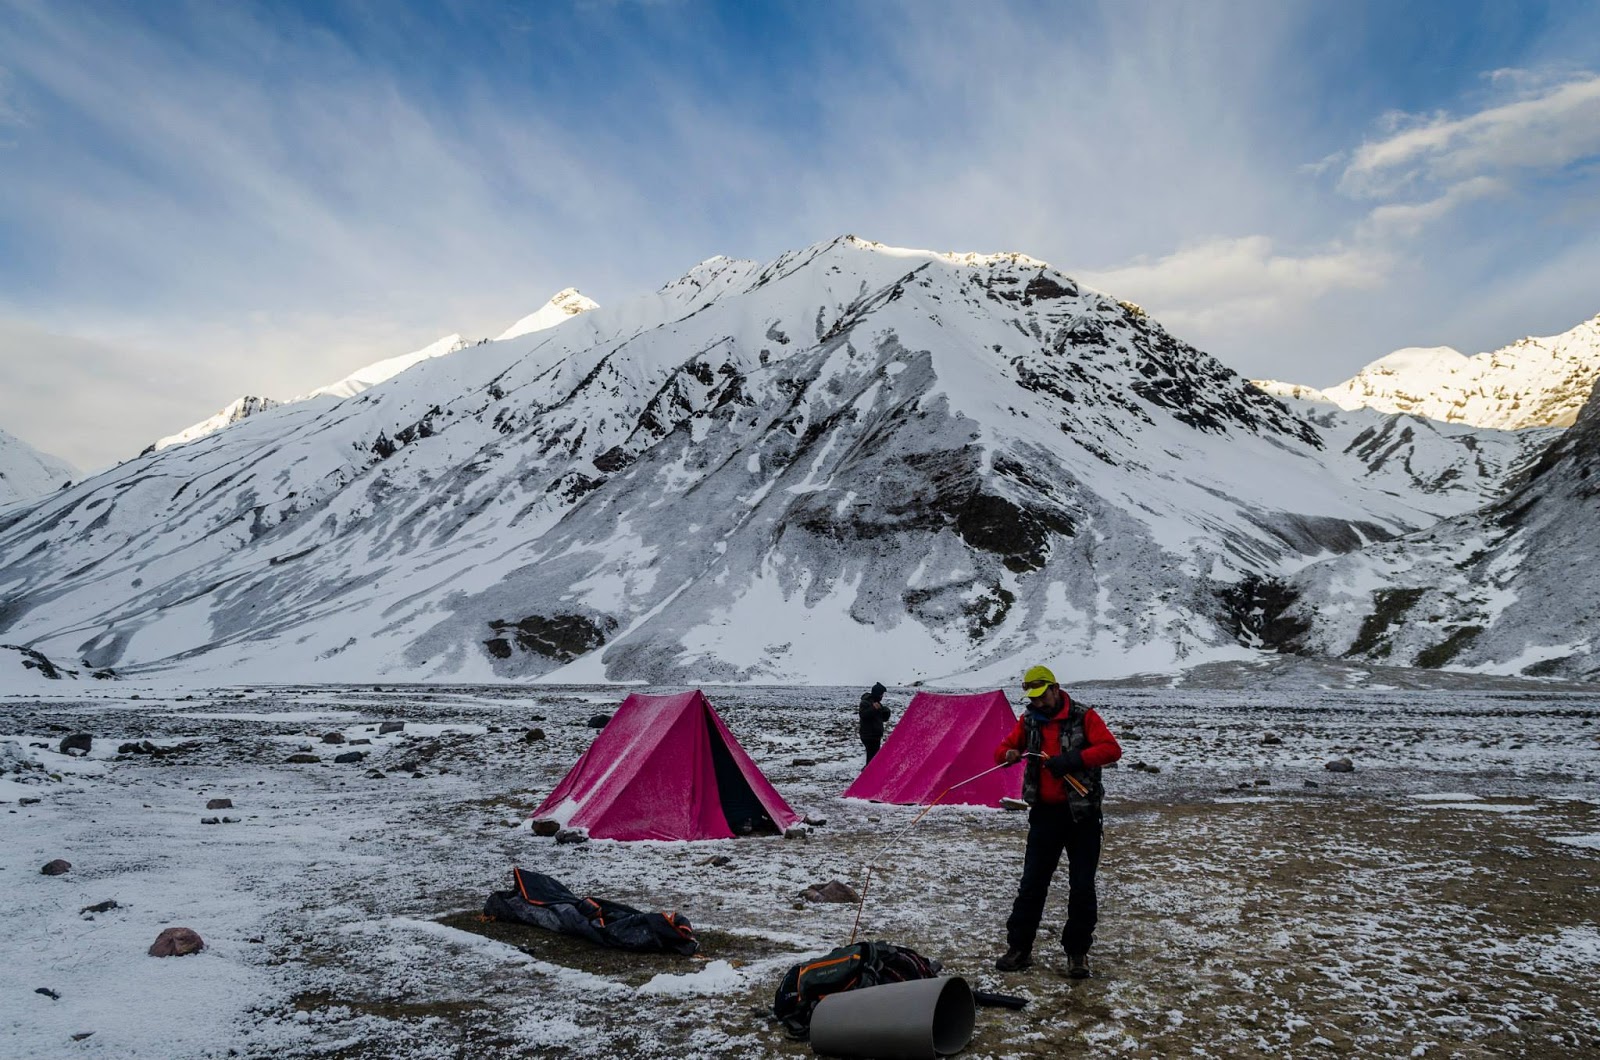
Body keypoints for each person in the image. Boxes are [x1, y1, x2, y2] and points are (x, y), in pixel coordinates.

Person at [992, 664, 1121, 978]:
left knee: (1081, 887)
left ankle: (1077, 953)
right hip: (1045, 816)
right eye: (1032, 698)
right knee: (1032, 884)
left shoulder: (1084, 716)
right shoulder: (1029, 721)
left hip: (1083, 816)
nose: (1037, 703)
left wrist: (1074, 759)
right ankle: (1019, 948)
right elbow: (1001, 750)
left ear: (1055, 688)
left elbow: (1111, 749)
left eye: (1041, 696)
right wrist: (1009, 753)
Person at [857, 682, 890, 763]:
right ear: (877, 693)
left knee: (873, 756)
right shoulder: (865, 702)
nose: (882, 696)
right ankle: (868, 773)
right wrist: (874, 708)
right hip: (868, 735)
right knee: (872, 757)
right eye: (881, 694)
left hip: (875, 735)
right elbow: (863, 715)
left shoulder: (877, 703)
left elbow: (884, 718)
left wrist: (886, 711)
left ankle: (868, 771)